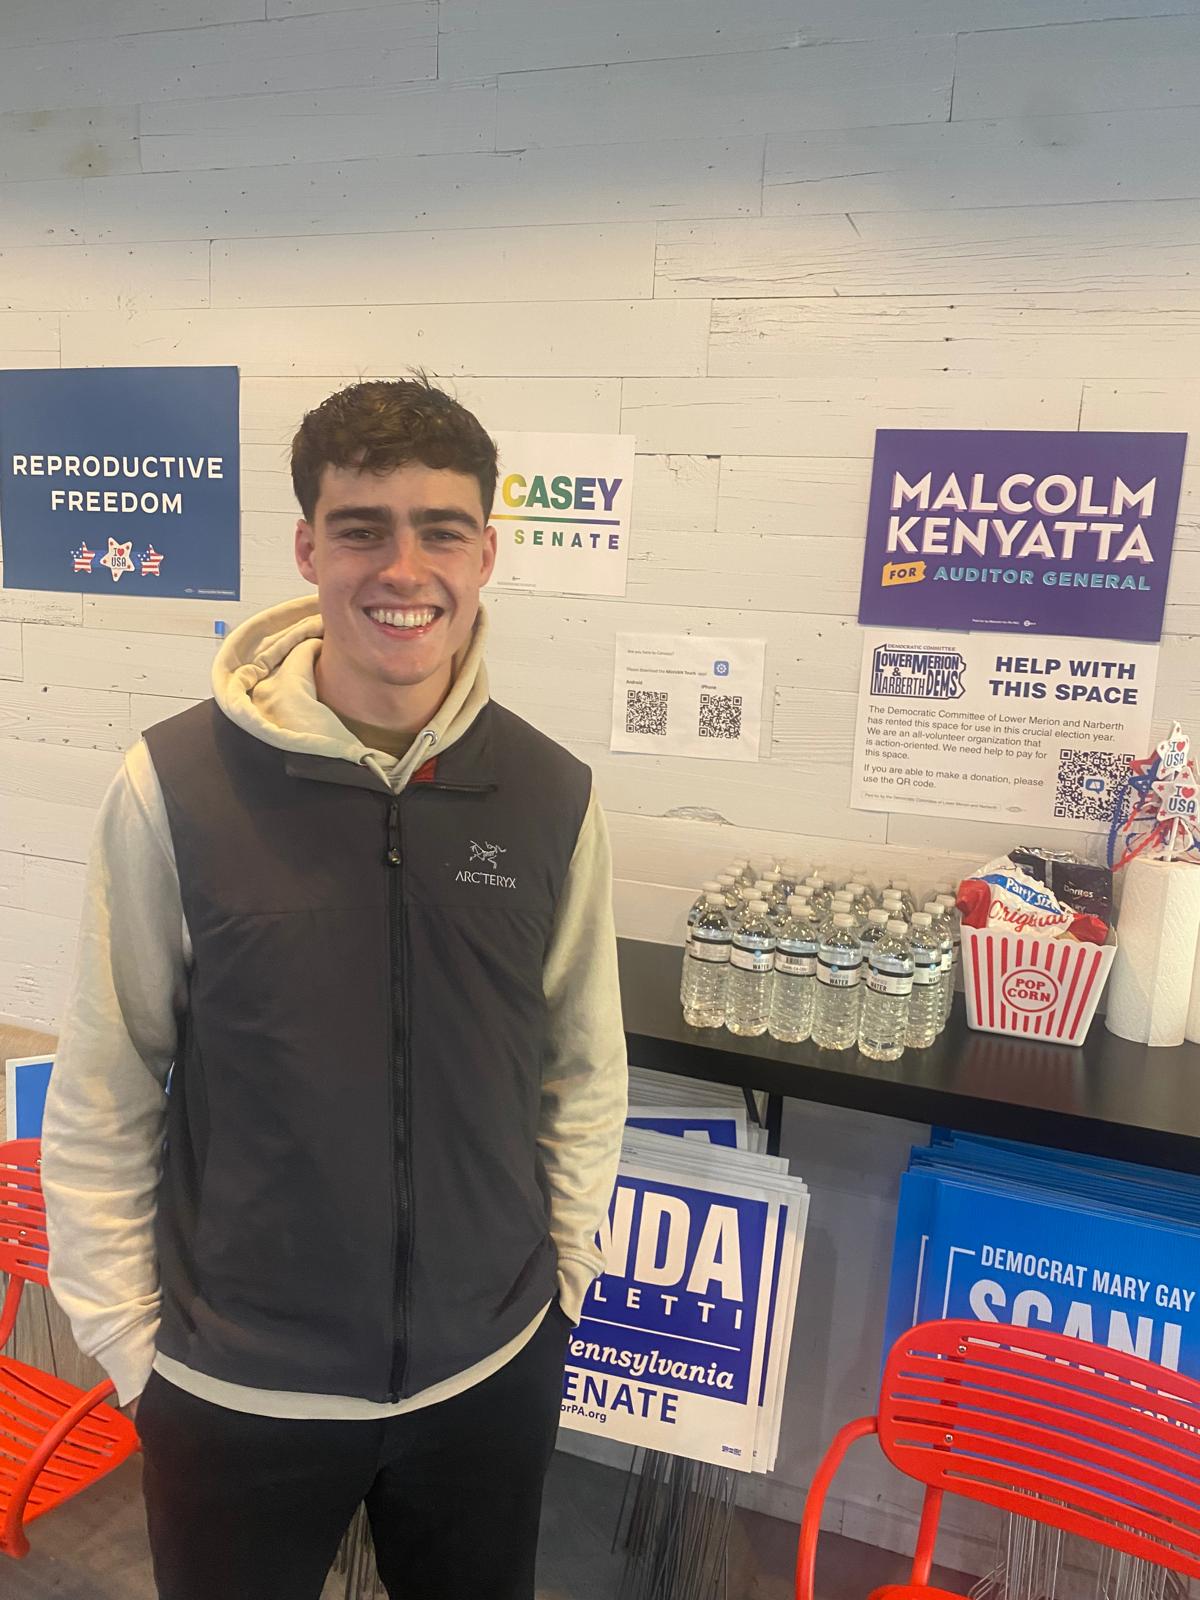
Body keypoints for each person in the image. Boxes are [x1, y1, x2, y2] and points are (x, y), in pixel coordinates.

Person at [40, 373, 629, 1600]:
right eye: (363, 529)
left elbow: (583, 1071)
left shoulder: (551, 794)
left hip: (487, 1375)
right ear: (310, 549)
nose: (402, 569)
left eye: (440, 531)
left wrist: (561, 1296)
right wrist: (131, 1348)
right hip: (234, 1390)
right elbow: (105, 1081)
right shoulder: (173, 785)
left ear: (485, 554)